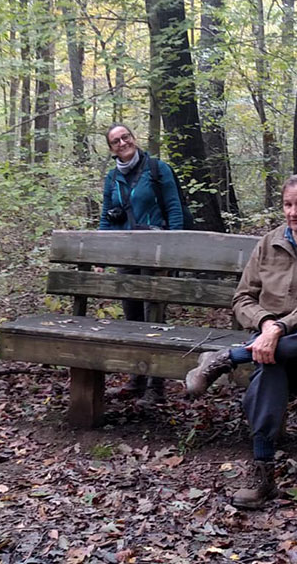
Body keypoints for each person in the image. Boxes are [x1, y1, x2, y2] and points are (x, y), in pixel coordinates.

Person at [183, 174, 297, 508]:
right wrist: (266, 323)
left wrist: (280, 327)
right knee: (271, 362)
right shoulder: (268, 243)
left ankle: (229, 357)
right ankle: (263, 473)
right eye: (288, 204)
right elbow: (242, 299)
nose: (293, 212)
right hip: (270, 340)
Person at [98, 123, 184, 403]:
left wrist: (174, 251)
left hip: (156, 254)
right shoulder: (112, 179)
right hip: (126, 254)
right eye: (115, 141)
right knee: (132, 317)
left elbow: (174, 209)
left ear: (133, 138)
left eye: (125, 137)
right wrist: (100, 253)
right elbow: (106, 217)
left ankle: (156, 387)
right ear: (111, 149)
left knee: (154, 318)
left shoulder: (158, 170)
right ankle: (137, 378)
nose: (122, 142)